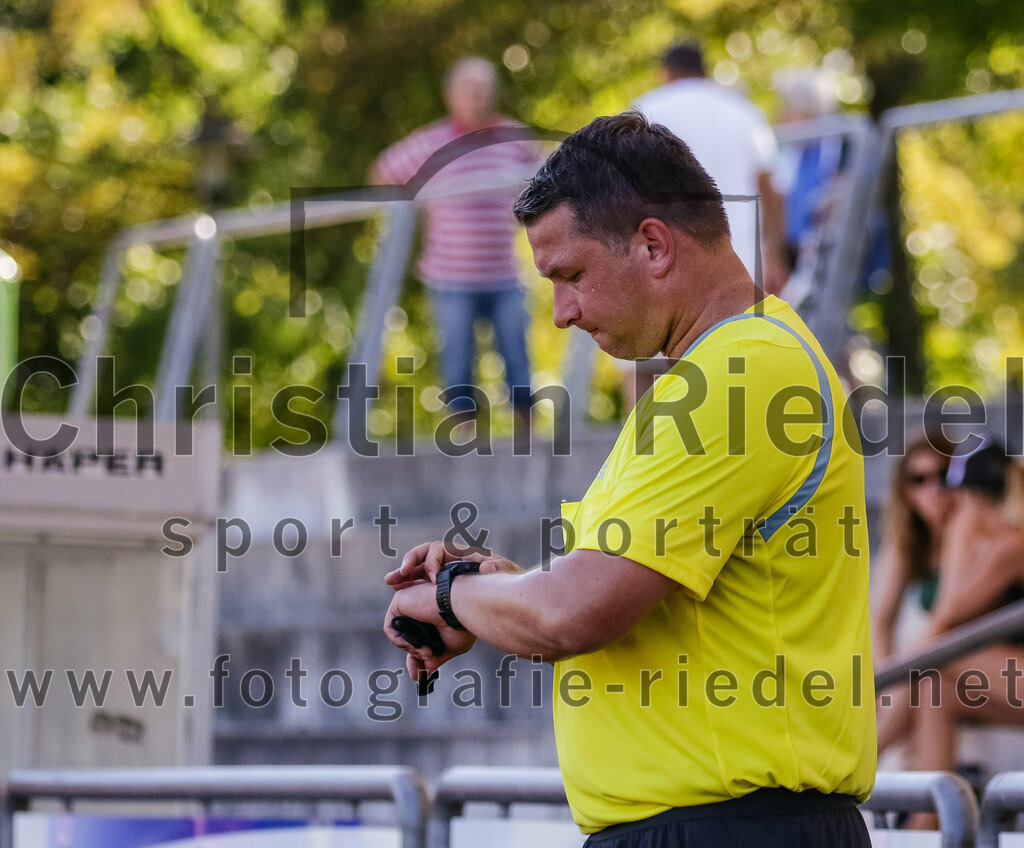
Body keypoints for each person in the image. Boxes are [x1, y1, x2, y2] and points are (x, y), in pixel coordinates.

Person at [383, 111, 875, 847]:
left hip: (728, 830)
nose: (561, 314)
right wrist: (496, 591)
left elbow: (572, 612)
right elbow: (601, 590)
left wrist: (454, 594)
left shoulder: (739, 377)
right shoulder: (719, 374)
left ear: (653, 244)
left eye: (571, 275)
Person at [370, 57, 538, 427]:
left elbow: (546, 180)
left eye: (483, 89)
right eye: (468, 90)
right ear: (451, 96)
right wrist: (413, 207)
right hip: (450, 277)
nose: (477, 96)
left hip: (504, 273)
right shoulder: (433, 142)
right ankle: (466, 437)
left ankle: (531, 436)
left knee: (518, 356)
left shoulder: (514, 138)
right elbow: (384, 171)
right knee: (457, 360)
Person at [619, 42, 789, 407]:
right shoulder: (743, 112)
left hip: (660, 258)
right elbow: (770, 191)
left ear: (667, 71)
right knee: (737, 359)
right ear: (703, 69)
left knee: (645, 364)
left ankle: (644, 439)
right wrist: (775, 255)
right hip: (737, 257)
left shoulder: (645, 112)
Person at [872, 433, 954, 758]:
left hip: (978, 662)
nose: (933, 489)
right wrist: (887, 684)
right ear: (905, 491)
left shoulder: (973, 530)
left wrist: (897, 678)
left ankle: (858, 760)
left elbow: (946, 621)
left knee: (925, 676)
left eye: (943, 475)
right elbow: (880, 618)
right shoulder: (909, 539)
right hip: (941, 662)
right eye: (919, 480)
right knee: (919, 677)